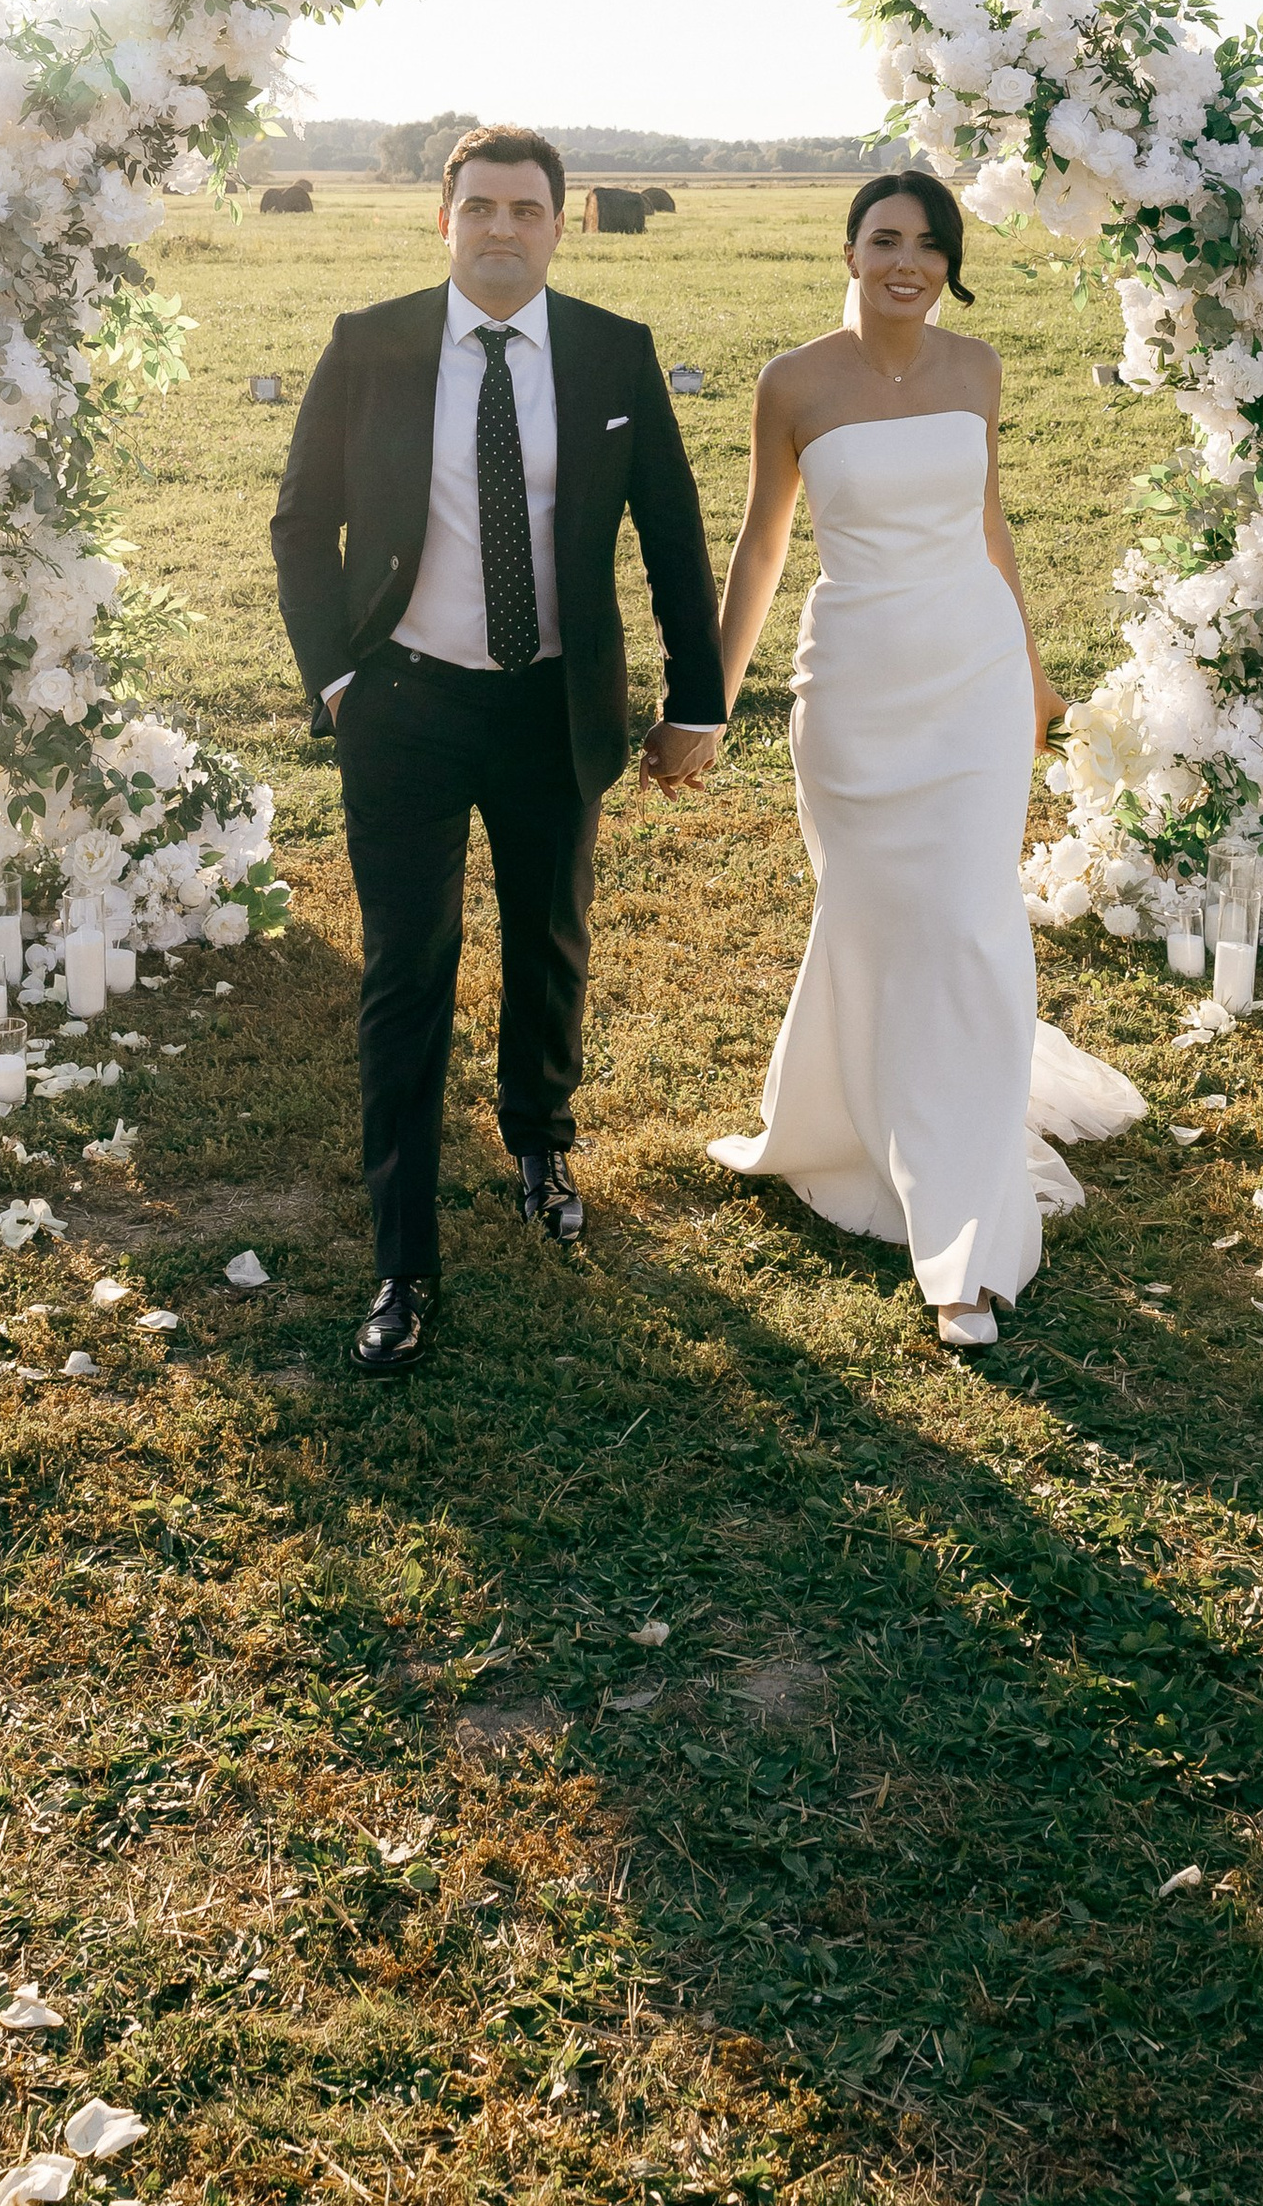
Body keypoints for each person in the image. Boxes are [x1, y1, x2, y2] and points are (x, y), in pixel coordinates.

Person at [272, 123, 726, 1374]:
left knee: (549, 934)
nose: (502, 228)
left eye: (527, 208)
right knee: (406, 969)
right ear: (443, 219)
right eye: (479, 206)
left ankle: (538, 1136)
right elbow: (304, 524)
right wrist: (340, 681)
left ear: (561, 224)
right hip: (403, 708)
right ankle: (402, 1260)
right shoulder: (368, 344)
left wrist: (697, 696)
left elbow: (672, 537)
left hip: (549, 707)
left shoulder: (611, 352)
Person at [705, 173, 1143, 1347]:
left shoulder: (978, 369)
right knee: (877, 919)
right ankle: (844, 1120)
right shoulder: (792, 382)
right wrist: (707, 698)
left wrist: (1036, 670)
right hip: (852, 689)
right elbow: (760, 548)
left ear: (949, 262)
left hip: (973, 681)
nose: (908, 260)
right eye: (886, 239)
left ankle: (964, 1234)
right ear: (848, 250)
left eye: (930, 244)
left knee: (964, 920)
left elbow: (989, 524)